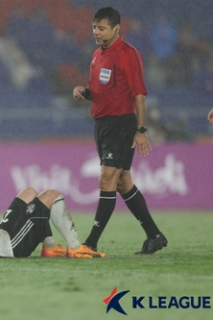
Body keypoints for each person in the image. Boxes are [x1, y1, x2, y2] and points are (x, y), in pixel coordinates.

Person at [72, 7, 167, 255]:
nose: (96, 32)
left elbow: (139, 95)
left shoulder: (128, 54)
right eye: (94, 27)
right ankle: (155, 235)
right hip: (102, 126)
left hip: (121, 125)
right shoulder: (97, 55)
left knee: (106, 179)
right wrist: (84, 92)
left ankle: (90, 244)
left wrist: (141, 129)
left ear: (116, 28)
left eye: (101, 28)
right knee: (124, 183)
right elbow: (100, 91)